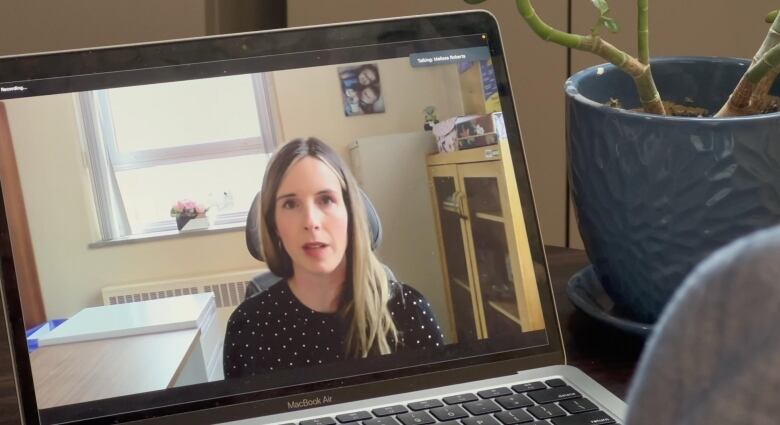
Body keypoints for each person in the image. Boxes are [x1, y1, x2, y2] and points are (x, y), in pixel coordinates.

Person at [223, 137, 444, 379]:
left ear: (350, 212)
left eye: (326, 200)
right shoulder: (247, 328)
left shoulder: (409, 311)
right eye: (290, 204)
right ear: (273, 223)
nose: (311, 222)